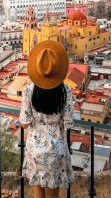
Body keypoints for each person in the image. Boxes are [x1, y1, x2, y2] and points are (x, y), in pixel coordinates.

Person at [19, 40, 74, 198]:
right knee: (52, 194)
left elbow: (24, 123)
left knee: (37, 191)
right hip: (56, 149)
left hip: (35, 148)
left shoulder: (29, 90)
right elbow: (68, 123)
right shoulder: (65, 91)